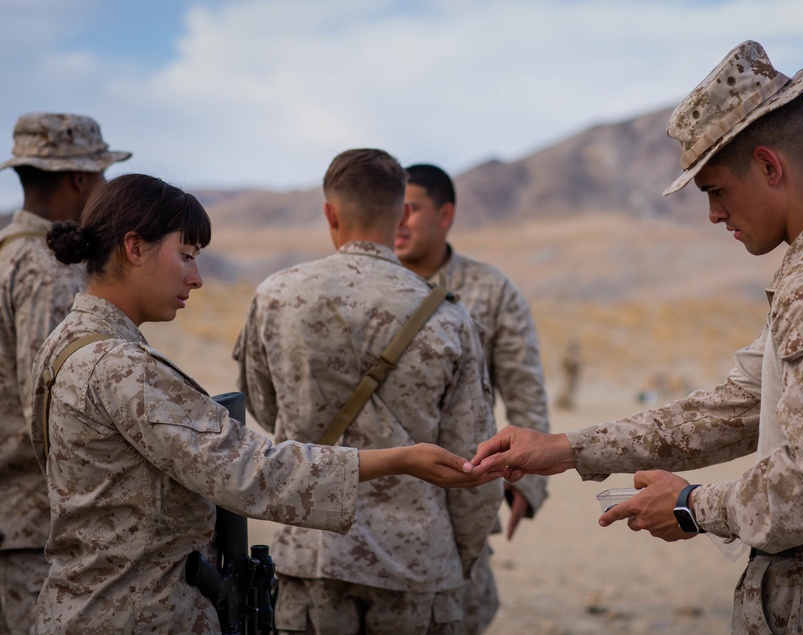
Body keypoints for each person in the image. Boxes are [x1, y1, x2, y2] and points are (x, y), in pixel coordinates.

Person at [471, 40, 803, 633]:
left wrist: (691, 507)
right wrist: (566, 448)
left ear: (771, 167)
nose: (714, 215)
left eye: (716, 190)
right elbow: (732, 409)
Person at [30, 173, 497, 634]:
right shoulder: (120, 365)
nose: (196, 278)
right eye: (186, 256)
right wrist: (400, 458)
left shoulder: (65, 344)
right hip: (134, 615)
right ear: (134, 248)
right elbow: (252, 470)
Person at [234, 150, 503, 635]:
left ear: (330, 213)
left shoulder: (276, 296)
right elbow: (474, 460)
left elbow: (262, 405)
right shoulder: (446, 316)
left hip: (312, 551)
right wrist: (453, 560)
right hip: (417, 563)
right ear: (401, 214)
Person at [395, 163, 550, 634]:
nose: (399, 221)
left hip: (457, 501)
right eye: (392, 209)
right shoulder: (369, 288)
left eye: (412, 209)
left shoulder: (491, 291)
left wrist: (528, 482)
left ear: (445, 215)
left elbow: (524, 389)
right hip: (371, 493)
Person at [0, 112, 130, 634]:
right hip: (36, 523)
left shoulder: (9, 255)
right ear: (80, 179)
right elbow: (60, 399)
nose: (103, 188)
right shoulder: (45, 268)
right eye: (100, 175)